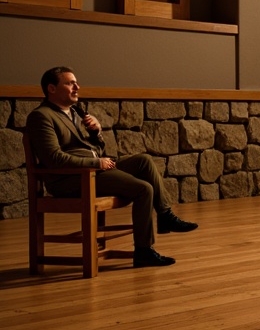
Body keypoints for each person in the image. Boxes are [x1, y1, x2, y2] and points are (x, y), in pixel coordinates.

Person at [25, 66, 197, 268]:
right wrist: (96, 163)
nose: (77, 87)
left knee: (144, 161)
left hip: (92, 170)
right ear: (51, 88)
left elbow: (93, 148)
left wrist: (95, 133)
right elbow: (54, 158)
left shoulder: (73, 112)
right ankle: (143, 251)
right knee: (143, 189)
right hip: (70, 179)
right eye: (70, 83)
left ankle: (165, 216)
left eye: (76, 82)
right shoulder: (41, 116)